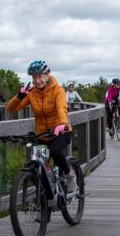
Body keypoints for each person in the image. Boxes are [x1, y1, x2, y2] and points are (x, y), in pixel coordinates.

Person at [7, 60, 76, 193]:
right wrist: (19, 96)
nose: (37, 80)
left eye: (40, 77)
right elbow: (11, 108)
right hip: (43, 134)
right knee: (39, 165)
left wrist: (62, 123)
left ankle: (69, 176)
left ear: (47, 75)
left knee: (55, 152)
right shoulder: (32, 93)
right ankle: (46, 197)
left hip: (61, 131)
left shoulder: (58, 90)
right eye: (34, 78)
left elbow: (62, 108)